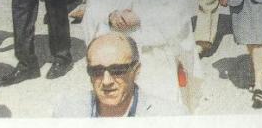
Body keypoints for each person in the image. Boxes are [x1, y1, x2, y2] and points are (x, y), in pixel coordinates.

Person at [53, 33, 185, 117]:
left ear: (136, 71)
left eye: (117, 70)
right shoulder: (67, 113)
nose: (106, 81)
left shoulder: (170, 116)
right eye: (97, 71)